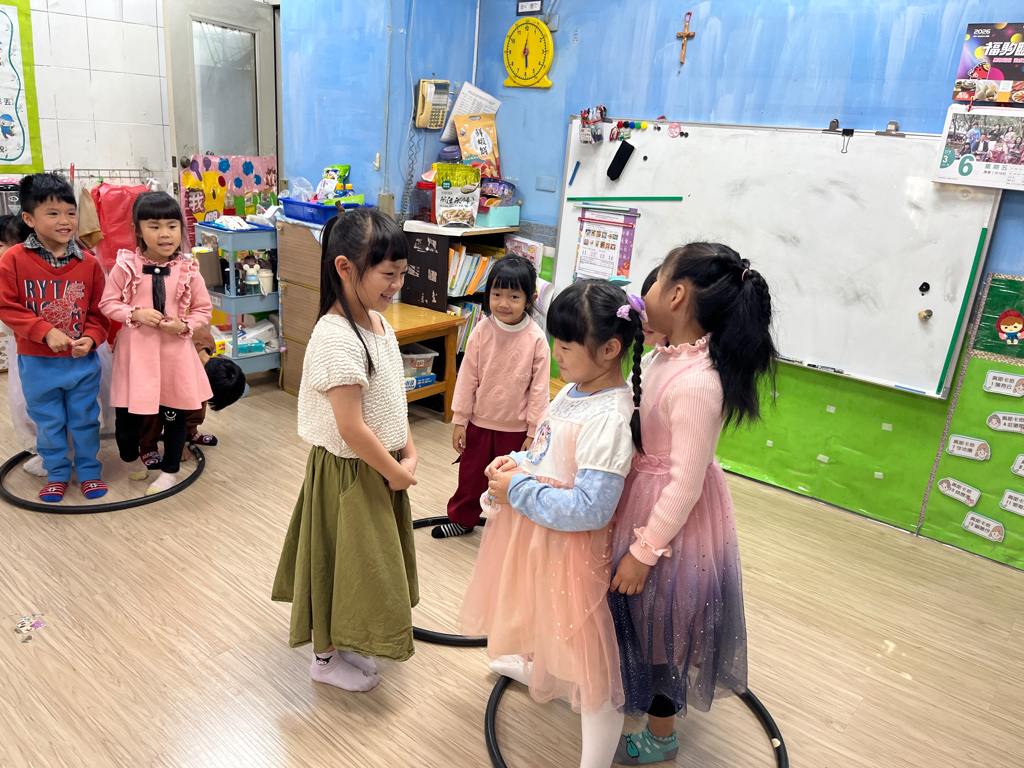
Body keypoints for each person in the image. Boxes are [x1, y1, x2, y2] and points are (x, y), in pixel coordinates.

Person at [461, 279, 646, 768]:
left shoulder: (610, 418)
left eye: (566, 346)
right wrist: (516, 463)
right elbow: (547, 451)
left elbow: (591, 507)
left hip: (573, 551)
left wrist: (519, 490)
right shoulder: (573, 392)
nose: (556, 354)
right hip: (541, 537)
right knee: (542, 613)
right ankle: (541, 669)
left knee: (590, 661)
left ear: (610, 349)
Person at [607, 243, 777, 765]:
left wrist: (644, 552)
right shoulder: (665, 355)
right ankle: (626, 692)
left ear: (677, 296)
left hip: (669, 524)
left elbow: (685, 485)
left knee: (662, 627)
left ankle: (662, 736)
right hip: (643, 500)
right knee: (637, 615)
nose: (648, 292)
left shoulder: (699, 382)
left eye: (658, 282)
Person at [272, 208, 419, 694]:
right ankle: (324, 657)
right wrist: (395, 469)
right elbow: (351, 427)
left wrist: (408, 450)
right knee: (338, 562)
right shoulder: (336, 337)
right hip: (348, 473)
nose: (397, 284)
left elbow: (393, 397)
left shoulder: (378, 323)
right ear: (345, 267)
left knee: (363, 565)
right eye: (388, 274)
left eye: (402, 273)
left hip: (379, 467)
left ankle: (346, 636)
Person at [0, 173, 111, 502]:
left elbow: (99, 313)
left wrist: (92, 338)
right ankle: (57, 473)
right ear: (29, 219)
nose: (65, 221)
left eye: (70, 212)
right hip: (37, 363)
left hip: (81, 362)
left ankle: (89, 470)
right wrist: (45, 332)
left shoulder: (89, 263)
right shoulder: (13, 259)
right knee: (48, 422)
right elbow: (6, 306)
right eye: (53, 213)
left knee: (85, 419)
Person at [99, 191, 212, 496]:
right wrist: (134, 313)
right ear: (137, 230)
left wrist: (184, 325)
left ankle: (169, 471)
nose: (165, 234)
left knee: (175, 414)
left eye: (172, 226)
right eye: (154, 226)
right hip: (136, 355)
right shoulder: (126, 265)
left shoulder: (189, 269)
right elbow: (107, 303)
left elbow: (203, 309)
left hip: (175, 354)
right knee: (127, 420)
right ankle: (130, 459)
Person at [432, 255, 551, 539]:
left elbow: (539, 391)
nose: (503, 303)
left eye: (513, 296)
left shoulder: (536, 339)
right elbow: (467, 378)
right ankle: (462, 519)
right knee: (470, 477)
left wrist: (533, 432)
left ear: (530, 298)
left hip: (516, 429)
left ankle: (508, 529)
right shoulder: (482, 330)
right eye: (496, 294)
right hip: (479, 423)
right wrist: (460, 420)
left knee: (509, 480)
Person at [137, 324, 247, 468]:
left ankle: (190, 431)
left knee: (197, 399)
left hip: (174, 365)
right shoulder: (177, 362)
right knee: (157, 410)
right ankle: (147, 446)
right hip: (146, 369)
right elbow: (172, 413)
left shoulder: (206, 342)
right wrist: (177, 444)